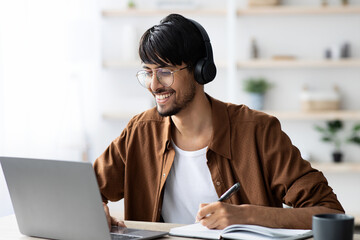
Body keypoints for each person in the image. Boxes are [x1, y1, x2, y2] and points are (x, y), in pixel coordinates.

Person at [93, 13, 344, 230]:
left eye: (165, 72)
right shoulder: (140, 131)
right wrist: (96, 209)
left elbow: (330, 213)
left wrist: (248, 215)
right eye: (148, 72)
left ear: (202, 70)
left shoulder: (258, 131)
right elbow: (87, 190)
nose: (154, 85)